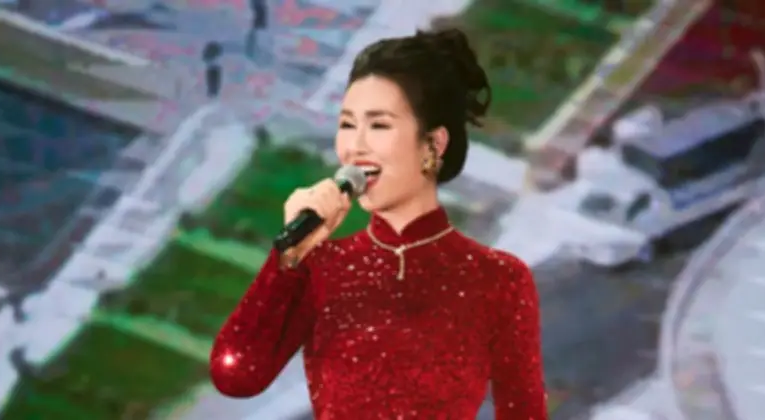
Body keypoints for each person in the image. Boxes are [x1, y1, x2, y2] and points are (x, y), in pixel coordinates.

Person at [209, 28, 546, 419]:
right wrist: (287, 260)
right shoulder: (321, 267)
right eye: (347, 125)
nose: (355, 146)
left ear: (433, 144)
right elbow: (237, 375)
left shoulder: (498, 278)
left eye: (379, 125)